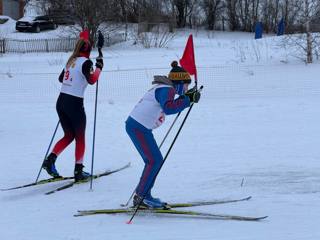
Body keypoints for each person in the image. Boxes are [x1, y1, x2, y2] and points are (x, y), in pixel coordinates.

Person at [125, 61, 201, 208]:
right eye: (186, 85)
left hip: (139, 127)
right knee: (154, 161)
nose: (186, 88)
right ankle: (142, 197)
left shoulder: (165, 88)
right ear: (179, 82)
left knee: (154, 160)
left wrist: (186, 98)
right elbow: (169, 108)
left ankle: (143, 195)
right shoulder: (167, 89)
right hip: (138, 127)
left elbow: (169, 104)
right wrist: (187, 100)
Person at [42, 34, 104, 182]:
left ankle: (50, 160)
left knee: (69, 135)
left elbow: (60, 79)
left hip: (61, 101)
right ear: (88, 50)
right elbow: (92, 80)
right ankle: (78, 171)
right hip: (74, 103)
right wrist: (99, 68)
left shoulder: (71, 61)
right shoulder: (86, 62)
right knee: (80, 137)